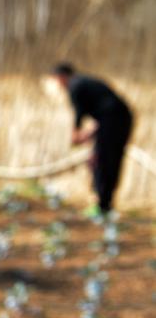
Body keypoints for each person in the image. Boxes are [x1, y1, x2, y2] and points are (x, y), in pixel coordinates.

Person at [51, 63, 133, 215]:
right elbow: (105, 109)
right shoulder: (85, 83)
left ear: (61, 77)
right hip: (120, 120)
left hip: (113, 122)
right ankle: (105, 203)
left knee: (102, 161)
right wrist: (90, 132)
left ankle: (102, 205)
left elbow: (79, 113)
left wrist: (76, 133)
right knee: (108, 161)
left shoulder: (75, 86)